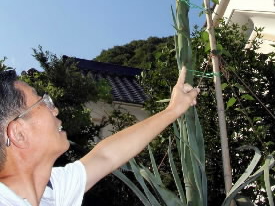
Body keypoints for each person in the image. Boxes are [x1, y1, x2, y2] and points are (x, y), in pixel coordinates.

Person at [0, 67, 199, 206]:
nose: (55, 110)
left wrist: (173, 110)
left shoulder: (52, 192)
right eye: (42, 103)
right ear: (18, 133)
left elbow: (106, 156)